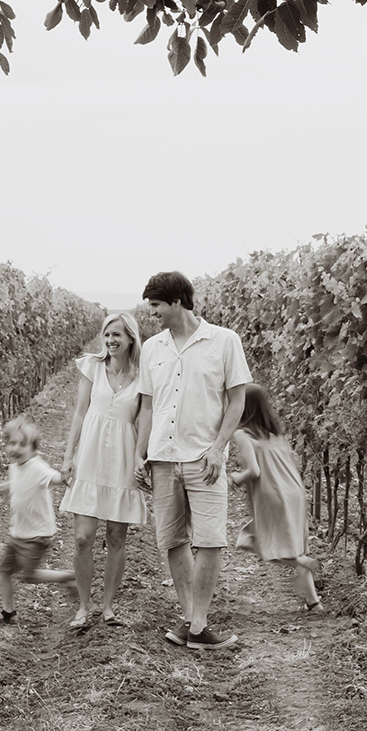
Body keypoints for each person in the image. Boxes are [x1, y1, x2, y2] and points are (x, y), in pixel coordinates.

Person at [134, 271, 252, 650]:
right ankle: (191, 622)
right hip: (163, 458)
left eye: (155, 305)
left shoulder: (224, 342)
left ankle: (199, 623)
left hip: (205, 458)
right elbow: (148, 407)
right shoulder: (152, 348)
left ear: (178, 302)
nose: (151, 312)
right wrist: (141, 453)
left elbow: (237, 400)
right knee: (172, 540)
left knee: (211, 539)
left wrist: (218, 447)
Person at [60, 312, 147, 629]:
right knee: (83, 538)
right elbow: (80, 414)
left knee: (116, 538)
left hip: (121, 457)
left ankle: (108, 606)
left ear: (131, 340)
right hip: (90, 456)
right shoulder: (92, 366)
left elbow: (145, 417)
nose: (110, 340)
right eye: (107, 334)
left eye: (117, 335)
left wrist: (141, 457)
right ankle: (83, 607)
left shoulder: (142, 375)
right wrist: (68, 456)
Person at [0, 415, 75, 625]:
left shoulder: (38, 468)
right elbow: (15, 484)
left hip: (37, 534)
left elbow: (54, 478)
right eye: (12, 443)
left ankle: (67, 576)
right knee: (4, 571)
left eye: (22, 444)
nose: (15, 448)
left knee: (29, 576)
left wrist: (65, 477)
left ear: (33, 448)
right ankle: (8, 612)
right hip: (18, 533)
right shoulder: (15, 466)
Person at [230, 384, 323, 612]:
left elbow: (254, 471)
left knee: (251, 540)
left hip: (272, 494)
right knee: (292, 546)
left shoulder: (242, 434)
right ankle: (314, 603)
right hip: (295, 493)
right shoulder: (276, 435)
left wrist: (234, 478)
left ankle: (299, 562)